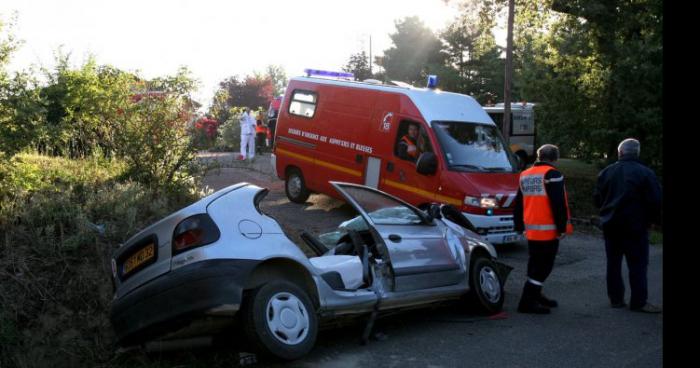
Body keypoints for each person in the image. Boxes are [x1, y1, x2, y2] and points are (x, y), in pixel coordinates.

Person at [593, 138, 662, 313]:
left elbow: (597, 199)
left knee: (613, 264)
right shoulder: (646, 173)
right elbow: (656, 201)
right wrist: (653, 221)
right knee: (637, 264)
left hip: (611, 225)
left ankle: (616, 299)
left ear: (620, 152)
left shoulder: (606, 172)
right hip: (635, 227)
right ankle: (638, 302)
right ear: (637, 153)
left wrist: (606, 212)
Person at [513, 144, 573, 314]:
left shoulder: (525, 175)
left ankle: (536, 295)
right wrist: (562, 228)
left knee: (535, 264)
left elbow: (518, 203)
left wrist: (518, 225)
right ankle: (527, 301)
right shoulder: (553, 174)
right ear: (555, 158)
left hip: (532, 230)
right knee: (543, 267)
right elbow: (558, 204)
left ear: (539, 157)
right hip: (548, 231)